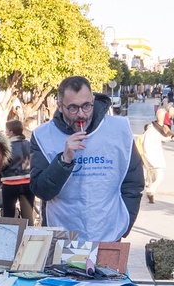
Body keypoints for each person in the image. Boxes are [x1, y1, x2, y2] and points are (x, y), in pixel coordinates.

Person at [30, 76, 144, 243]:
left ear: (93, 100)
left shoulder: (119, 130)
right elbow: (41, 190)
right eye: (73, 108)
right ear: (60, 107)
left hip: (109, 233)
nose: (81, 114)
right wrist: (64, 160)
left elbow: (133, 183)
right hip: (62, 234)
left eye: (86, 106)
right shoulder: (42, 135)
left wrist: (124, 225)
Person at [0, 120, 35, 223]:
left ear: (11, 133)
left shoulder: (7, 146)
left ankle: (10, 236)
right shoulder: (29, 144)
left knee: (8, 215)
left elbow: (3, 165)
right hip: (28, 182)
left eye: (6, 131)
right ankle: (28, 236)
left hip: (10, 183)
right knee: (28, 216)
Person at [138, 119, 169, 204]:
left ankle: (149, 189)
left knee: (151, 175)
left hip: (147, 159)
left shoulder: (147, 134)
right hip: (152, 159)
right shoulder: (151, 133)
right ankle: (150, 190)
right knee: (159, 175)